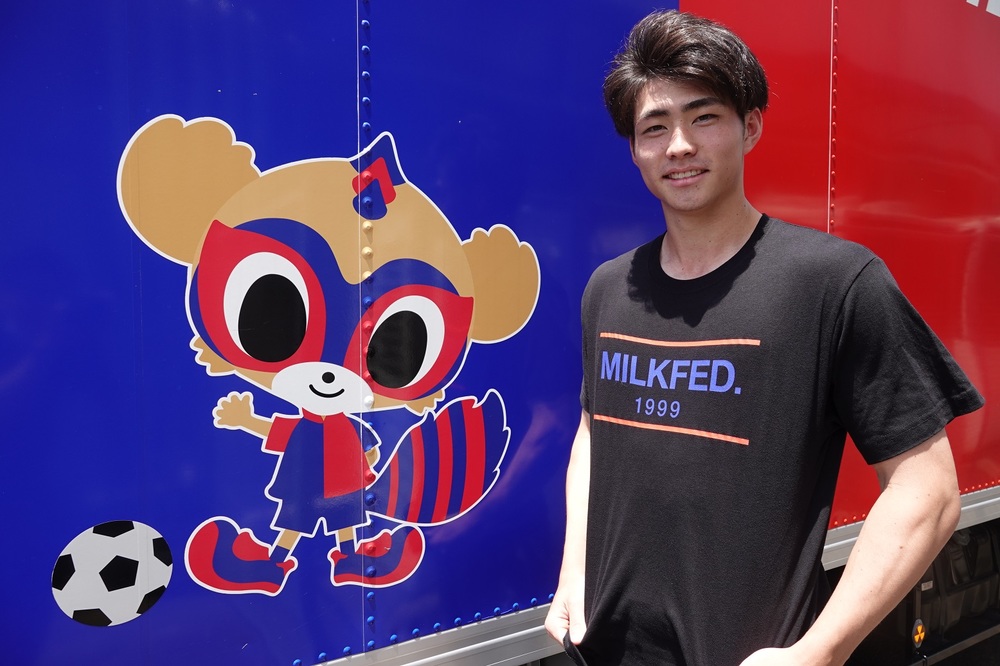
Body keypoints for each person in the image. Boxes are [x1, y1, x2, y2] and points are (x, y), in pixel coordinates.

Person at [544, 9, 984, 666]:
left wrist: (820, 651)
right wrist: (573, 571)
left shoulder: (834, 283)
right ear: (634, 149)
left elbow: (927, 490)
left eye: (704, 117)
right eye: (654, 127)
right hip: (602, 650)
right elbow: (594, 432)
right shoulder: (609, 288)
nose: (679, 145)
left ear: (750, 127)